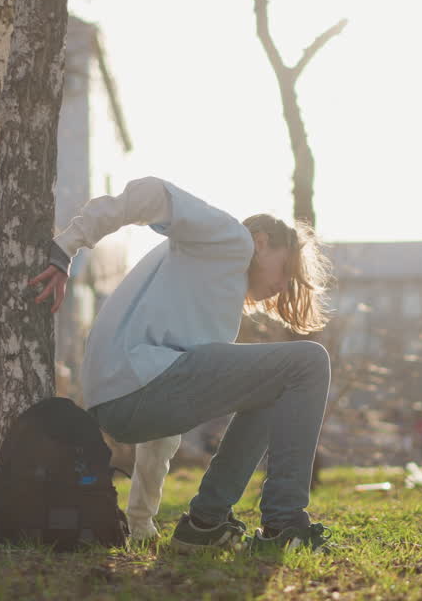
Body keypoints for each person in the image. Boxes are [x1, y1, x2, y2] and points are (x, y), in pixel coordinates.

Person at [29, 177, 334, 551]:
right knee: (309, 362)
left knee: (273, 388)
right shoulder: (233, 240)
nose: (285, 286)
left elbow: (164, 426)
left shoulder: (203, 288)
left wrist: (141, 519)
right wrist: (67, 246)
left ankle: (205, 524)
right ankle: (285, 524)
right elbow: (152, 194)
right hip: (131, 386)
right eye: (286, 269)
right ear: (262, 242)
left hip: (121, 401)